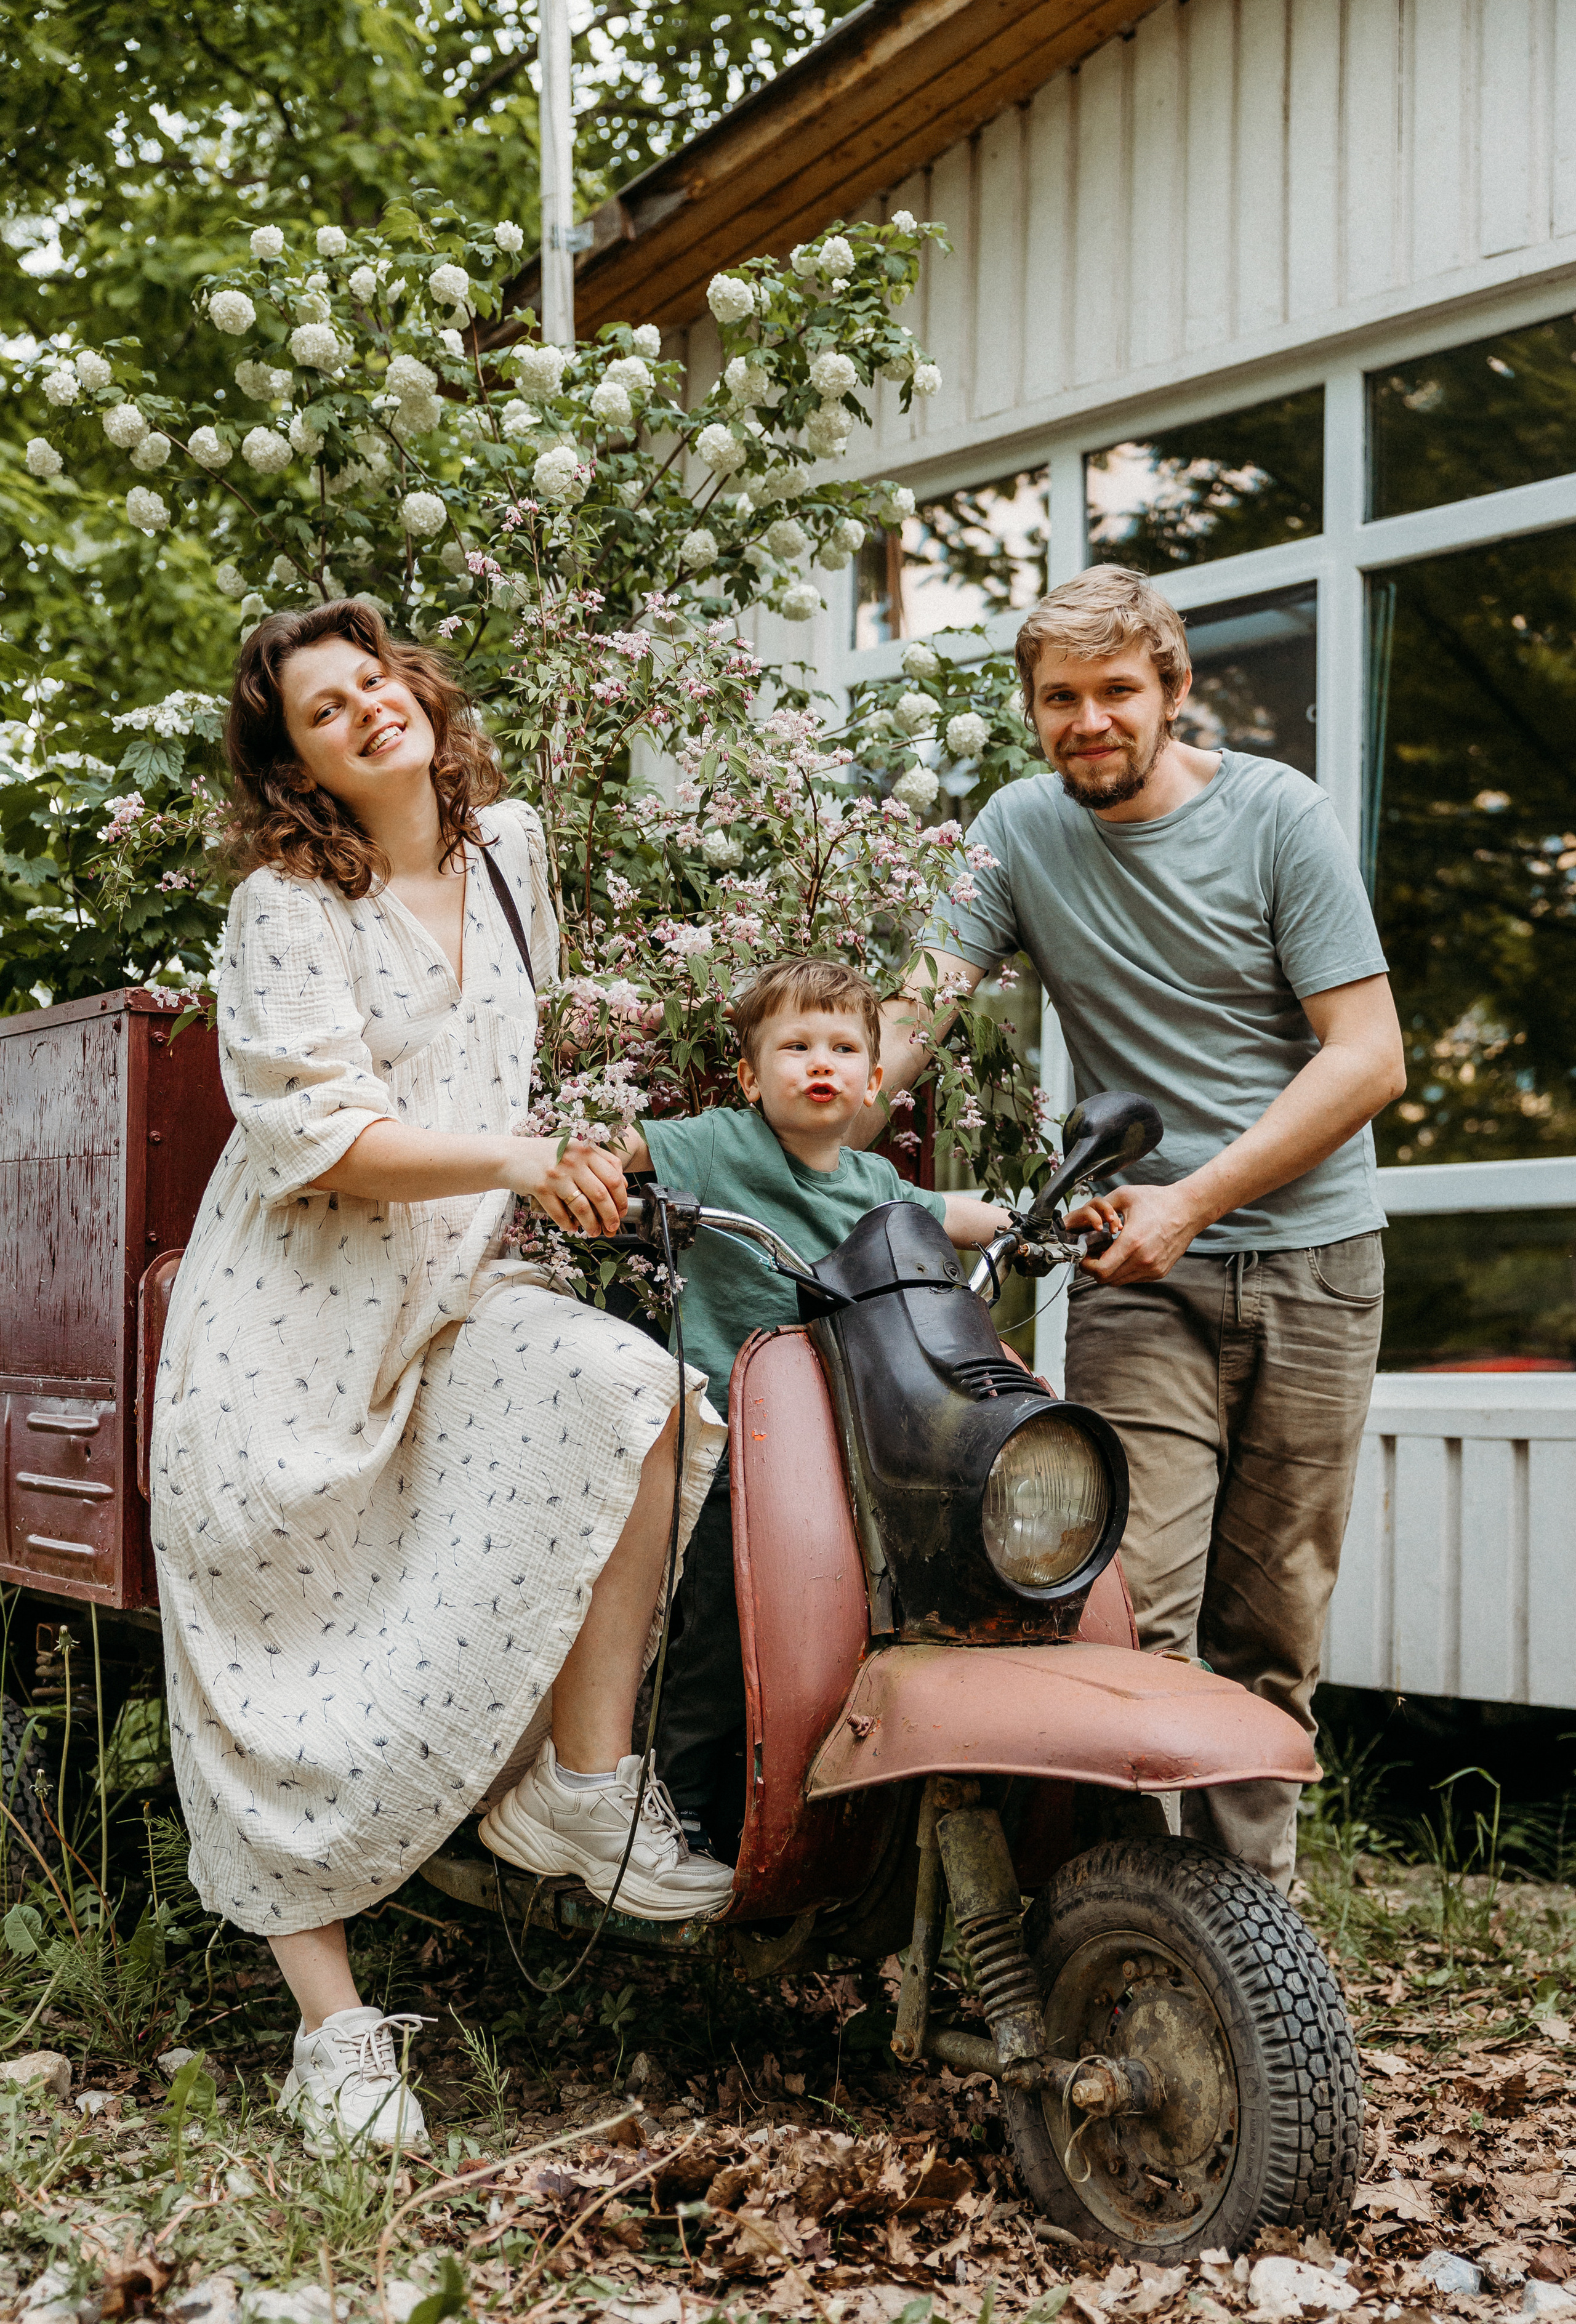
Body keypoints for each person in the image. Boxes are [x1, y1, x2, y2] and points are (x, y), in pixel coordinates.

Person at [151, 599, 732, 2161]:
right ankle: (333, 2034)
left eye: (373, 683)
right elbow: (318, 1140)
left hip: (451, 1289)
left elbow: (494, 1070)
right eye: (323, 715)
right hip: (287, 1331)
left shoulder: (508, 850)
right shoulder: (288, 907)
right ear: (297, 769)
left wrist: (556, 1168)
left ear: (413, 687)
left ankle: (580, 1787)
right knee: (280, 1659)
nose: (365, 715)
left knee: (643, 1401)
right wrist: (524, 1161)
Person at [862, 565, 1406, 1892]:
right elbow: (906, 1020)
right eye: (1060, 698)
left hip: (1314, 1268)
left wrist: (1193, 1199)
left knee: (1268, 1631)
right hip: (1136, 1284)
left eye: (1116, 691)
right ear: (1032, 713)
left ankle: (1249, 1939)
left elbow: (1367, 1056)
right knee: (1121, 1613)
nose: (1088, 720)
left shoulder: (1277, 817)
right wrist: (792, 1106)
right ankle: (1132, 1935)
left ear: (1173, 693)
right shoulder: (1015, 831)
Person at [608, 954, 1016, 1860]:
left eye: (841, 1047)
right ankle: (678, 1811)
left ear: (876, 1081)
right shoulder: (717, 1144)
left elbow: (943, 1210)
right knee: (722, 1624)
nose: (818, 1063)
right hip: (730, 1443)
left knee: (859, 1616)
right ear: (752, 1077)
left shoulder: (871, 1183)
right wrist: (597, 1169)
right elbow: (626, 1147)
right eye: (794, 1046)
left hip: (842, 1440)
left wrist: (1035, 1225)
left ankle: (831, 1812)